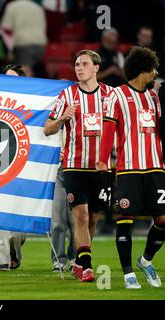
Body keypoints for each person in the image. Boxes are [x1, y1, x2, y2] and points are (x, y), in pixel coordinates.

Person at [97, 47, 164, 289]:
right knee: (126, 217)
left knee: (163, 219)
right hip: (129, 168)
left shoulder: (154, 97)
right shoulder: (116, 95)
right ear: (141, 70)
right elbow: (107, 131)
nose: (156, 73)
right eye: (153, 69)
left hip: (156, 167)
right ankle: (128, 274)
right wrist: (103, 160)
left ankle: (146, 261)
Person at [43, 50, 113, 282]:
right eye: (76, 64)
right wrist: (63, 118)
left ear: (96, 67)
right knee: (80, 215)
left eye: (84, 64)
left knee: (93, 218)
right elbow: (47, 128)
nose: (79, 68)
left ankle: (81, 258)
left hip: (100, 168)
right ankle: (86, 266)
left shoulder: (109, 95)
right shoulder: (67, 95)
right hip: (73, 166)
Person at [0, 64, 27, 271]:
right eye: (6, 77)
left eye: (13, 77)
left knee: (19, 224)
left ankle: (14, 247)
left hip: (24, 167)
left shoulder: (33, 105)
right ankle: (3, 260)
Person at [50, 147, 76, 272]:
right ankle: (58, 260)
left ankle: (75, 258)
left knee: (77, 222)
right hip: (57, 170)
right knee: (57, 221)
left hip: (77, 169)